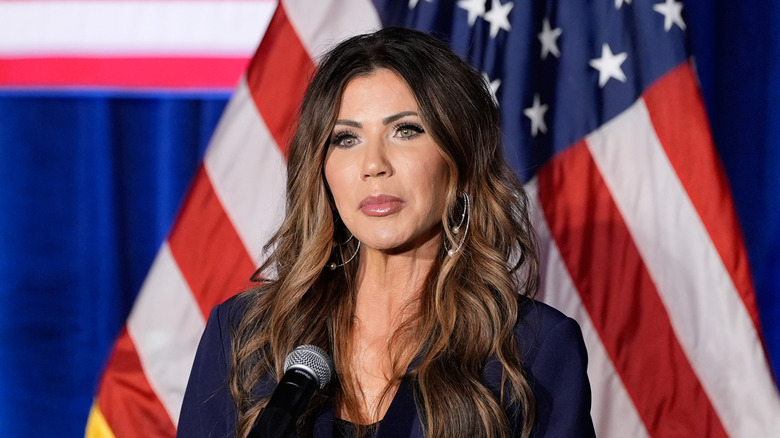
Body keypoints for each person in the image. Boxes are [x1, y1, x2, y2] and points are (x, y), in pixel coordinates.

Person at [178, 27, 595, 438]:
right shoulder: (244, 336)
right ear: (322, 173)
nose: (373, 164)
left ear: (461, 160)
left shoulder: (534, 349)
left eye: (405, 130)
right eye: (346, 138)